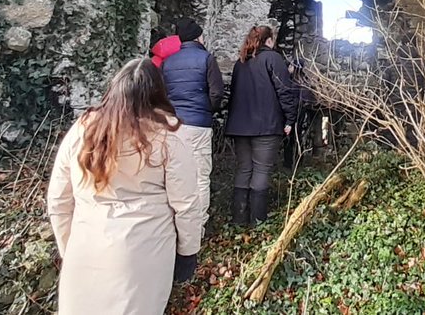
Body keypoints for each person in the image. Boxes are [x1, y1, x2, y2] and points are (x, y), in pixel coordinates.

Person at [46, 58, 201, 314]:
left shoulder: (83, 130)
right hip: (142, 255)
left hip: (85, 247)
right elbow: (186, 204)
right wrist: (188, 252)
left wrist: (69, 246)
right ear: (157, 92)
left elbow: (59, 200)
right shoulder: (167, 137)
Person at [226, 25, 298, 225]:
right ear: (269, 40)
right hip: (266, 125)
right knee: (261, 170)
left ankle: (239, 219)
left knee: (244, 169)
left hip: (240, 127)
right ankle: (258, 221)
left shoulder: (240, 63)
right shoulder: (273, 59)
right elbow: (285, 91)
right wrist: (290, 119)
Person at [160, 17, 225, 237]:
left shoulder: (168, 62)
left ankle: (174, 225)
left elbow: (161, 94)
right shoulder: (206, 58)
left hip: (173, 126)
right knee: (200, 176)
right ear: (198, 36)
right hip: (198, 125)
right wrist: (206, 110)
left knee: (175, 175)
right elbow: (217, 92)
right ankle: (197, 227)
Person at [283, 56, 319, 169]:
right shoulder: (305, 80)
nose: (289, 67)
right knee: (295, 139)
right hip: (300, 114)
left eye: (291, 65)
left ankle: (290, 163)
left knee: (291, 139)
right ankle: (296, 162)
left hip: (296, 113)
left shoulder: (293, 81)